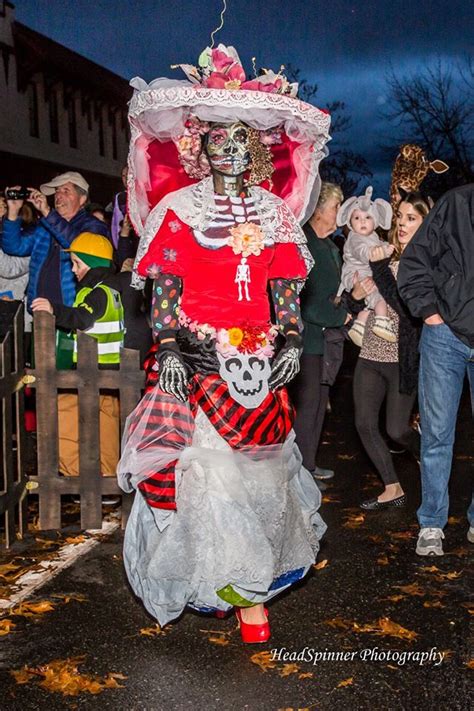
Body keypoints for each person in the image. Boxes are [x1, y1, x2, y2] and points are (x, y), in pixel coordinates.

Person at [117, 44, 331, 642]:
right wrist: (166, 350)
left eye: (242, 139)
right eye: (219, 139)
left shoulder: (275, 214)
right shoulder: (176, 211)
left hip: (258, 363)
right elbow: (164, 288)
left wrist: (289, 339)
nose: (230, 148)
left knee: (260, 477)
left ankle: (250, 589)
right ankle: (227, 585)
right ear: (200, 148)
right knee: (208, 479)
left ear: (257, 149)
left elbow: (285, 287)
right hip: (197, 359)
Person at [398, 184, 474, 554]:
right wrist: (429, 311)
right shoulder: (456, 204)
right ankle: (431, 523)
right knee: (437, 433)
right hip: (445, 336)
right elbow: (414, 262)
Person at [353, 190, 430, 509]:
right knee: (364, 423)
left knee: (397, 429)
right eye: (399, 216)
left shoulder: (427, 262)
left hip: (401, 359)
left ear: (426, 223)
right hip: (370, 352)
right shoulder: (384, 252)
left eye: (410, 218)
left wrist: (380, 268)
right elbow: (359, 294)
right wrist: (354, 295)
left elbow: (405, 306)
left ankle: (428, 454)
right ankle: (392, 486)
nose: (401, 223)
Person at [32, 232, 124, 480]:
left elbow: (81, 318)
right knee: (106, 425)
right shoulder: (111, 292)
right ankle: (107, 476)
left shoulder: (97, 293)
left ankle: (74, 473)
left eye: (77, 263)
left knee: (66, 412)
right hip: (111, 371)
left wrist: (54, 309)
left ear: (92, 265)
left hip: (92, 370)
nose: (73, 270)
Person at [288, 182, 349, 482]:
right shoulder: (307, 245)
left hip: (326, 340)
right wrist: (344, 314)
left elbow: (335, 292)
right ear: (320, 210)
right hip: (308, 340)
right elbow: (308, 304)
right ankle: (299, 471)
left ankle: (308, 465)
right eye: (337, 206)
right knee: (308, 406)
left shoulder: (330, 246)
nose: (340, 212)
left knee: (319, 405)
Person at [3, 172, 109, 313]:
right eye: (57, 191)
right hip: (40, 308)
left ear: (82, 199)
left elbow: (79, 246)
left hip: (73, 311)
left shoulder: (93, 226)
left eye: (66, 191)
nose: (59, 195)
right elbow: (13, 247)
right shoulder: (44, 226)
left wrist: (47, 212)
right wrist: (13, 211)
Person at [337, 186, 394, 347]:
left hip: (363, 274)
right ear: (349, 222)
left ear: (375, 222)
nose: (362, 221)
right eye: (357, 218)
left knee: (369, 302)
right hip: (356, 275)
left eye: (367, 217)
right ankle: (382, 322)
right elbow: (365, 252)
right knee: (379, 295)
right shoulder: (355, 238)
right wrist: (381, 251)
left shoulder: (372, 236)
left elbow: (377, 244)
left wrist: (385, 246)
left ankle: (359, 326)